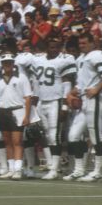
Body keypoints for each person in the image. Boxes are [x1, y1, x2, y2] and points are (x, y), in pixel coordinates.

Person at [64, 33, 102, 182]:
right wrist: (70, 94)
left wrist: (97, 89)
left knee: (96, 136)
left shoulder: (97, 55)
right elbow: (81, 84)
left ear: (93, 43)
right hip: (83, 100)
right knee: (73, 136)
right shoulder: (82, 58)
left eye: (84, 43)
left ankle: (97, 171)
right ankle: (79, 169)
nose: (82, 46)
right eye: (80, 44)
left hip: (94, 100)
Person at [29, 39, 77, 180]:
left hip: (55, 101)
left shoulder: (63, 61)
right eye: (51, 47)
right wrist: (35, 101)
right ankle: (54, 166)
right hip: (42, 101)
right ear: (47, 47)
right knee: (46, 134)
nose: (54, 49)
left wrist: (64, 105)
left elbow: (67, 83)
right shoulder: (38, 61)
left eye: (56, 47)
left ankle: (54, 169)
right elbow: (36, 83)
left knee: (54, 135)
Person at [0, 53, 32, 180]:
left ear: (13, 64)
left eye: (9, 62)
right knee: (7, 142)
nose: (7, 65)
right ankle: (10, 168)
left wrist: (27, 116)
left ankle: (18, 169)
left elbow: (28, 98)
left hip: (17, 111)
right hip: (3, 112)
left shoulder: (22, 77)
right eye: (5, 63)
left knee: (17, 142)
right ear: (2, 65)